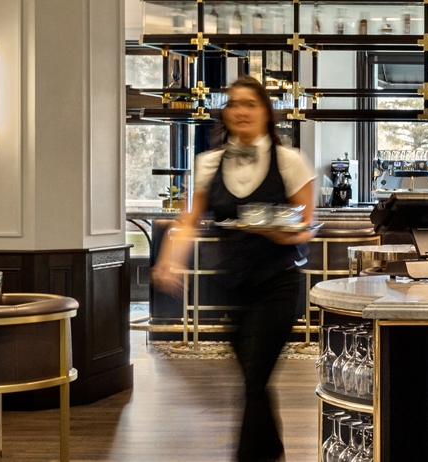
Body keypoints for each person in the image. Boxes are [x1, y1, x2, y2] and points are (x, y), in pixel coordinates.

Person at [151, 75, 316, 462]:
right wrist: (168, 261)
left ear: (266, 113)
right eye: (234, 104)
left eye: (250, 104)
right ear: (225, 113)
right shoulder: (208, 164)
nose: (241, 111)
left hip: (278, 283)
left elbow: (306, 221)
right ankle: (272, 450)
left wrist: (280, 231)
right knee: (252, 380)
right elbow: (189, 221)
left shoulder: (290, 160)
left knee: (255, 375)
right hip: (233, 286)